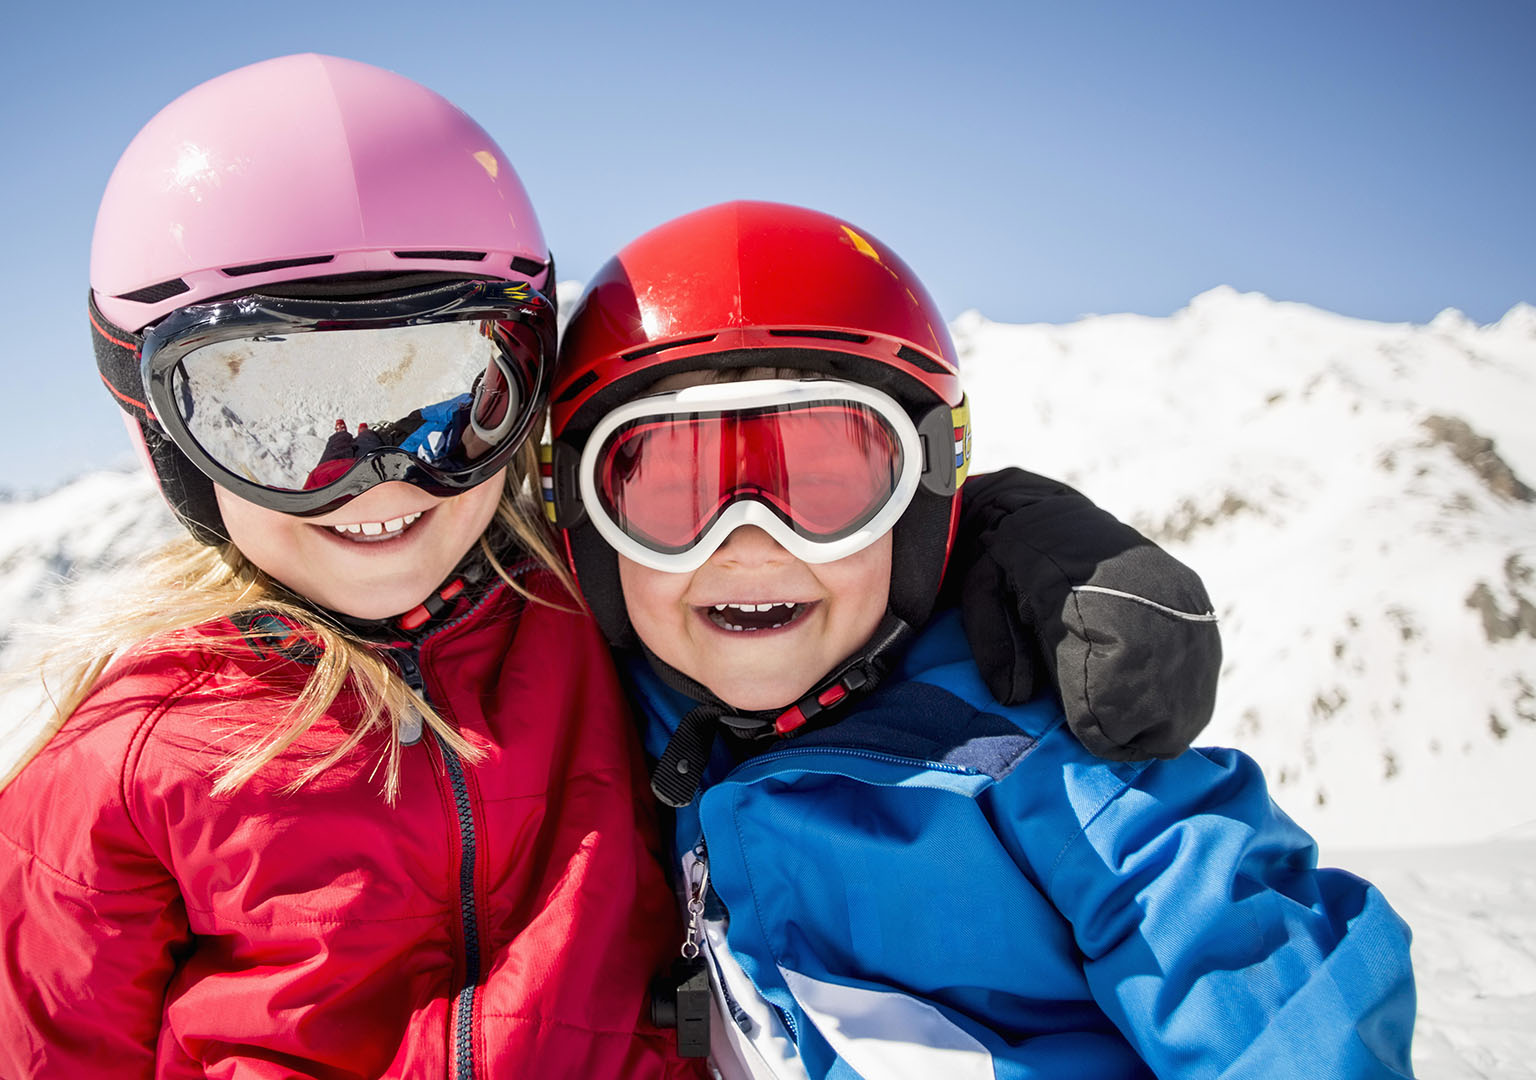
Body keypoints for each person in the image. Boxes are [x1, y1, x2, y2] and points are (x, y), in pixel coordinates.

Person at [0, 57, 1221, 1078]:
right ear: (158, 425)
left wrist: (1010, 534)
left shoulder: (588, 603)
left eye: (441, 394)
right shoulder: (112, 782)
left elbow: (785, 545)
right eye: (275, 417)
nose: (383, 479)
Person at [545, 200, 1417, 1078]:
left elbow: (1259, 979)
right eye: (669, 493)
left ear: (919, 505)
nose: (750, 543)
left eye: (826, 487)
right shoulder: (617, 720)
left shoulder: (1035, 752)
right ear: (587, 521)